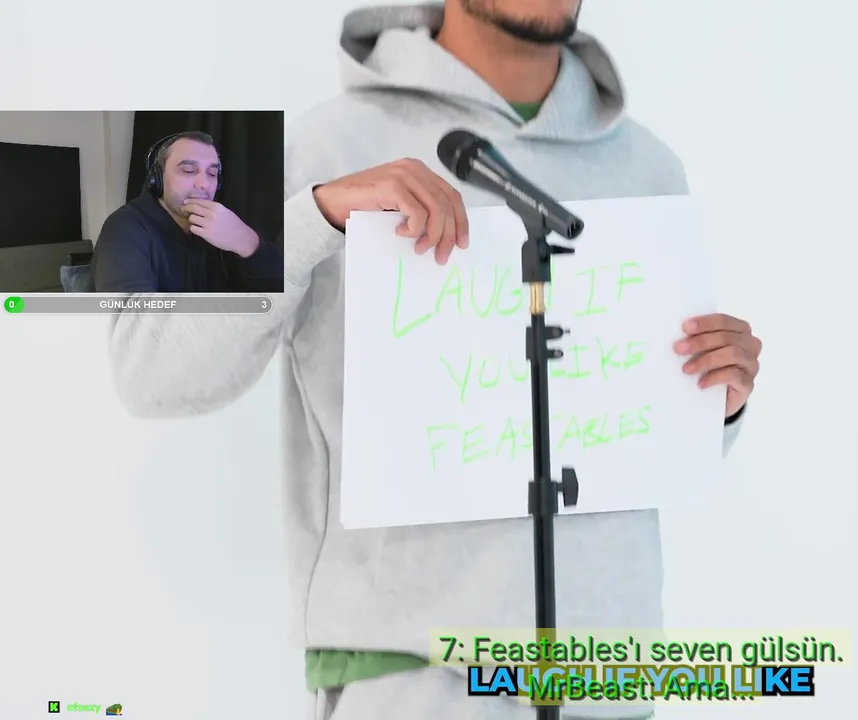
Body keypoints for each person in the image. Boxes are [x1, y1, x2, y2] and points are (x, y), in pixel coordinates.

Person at [106, 2, 763, 718]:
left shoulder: (648, 166)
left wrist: (713, 401)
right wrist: (315, 217)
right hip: (410, 678)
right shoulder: (323, 148)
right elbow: (152, 373)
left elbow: (634, 442)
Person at [91, 131, 283, 293]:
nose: (204, 184)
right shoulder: (124, 229)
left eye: (212, 173)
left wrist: (246, 241)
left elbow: (277, 294)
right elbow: (132, 317)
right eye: (189, 170)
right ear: (156, 179)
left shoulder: (221, 225)